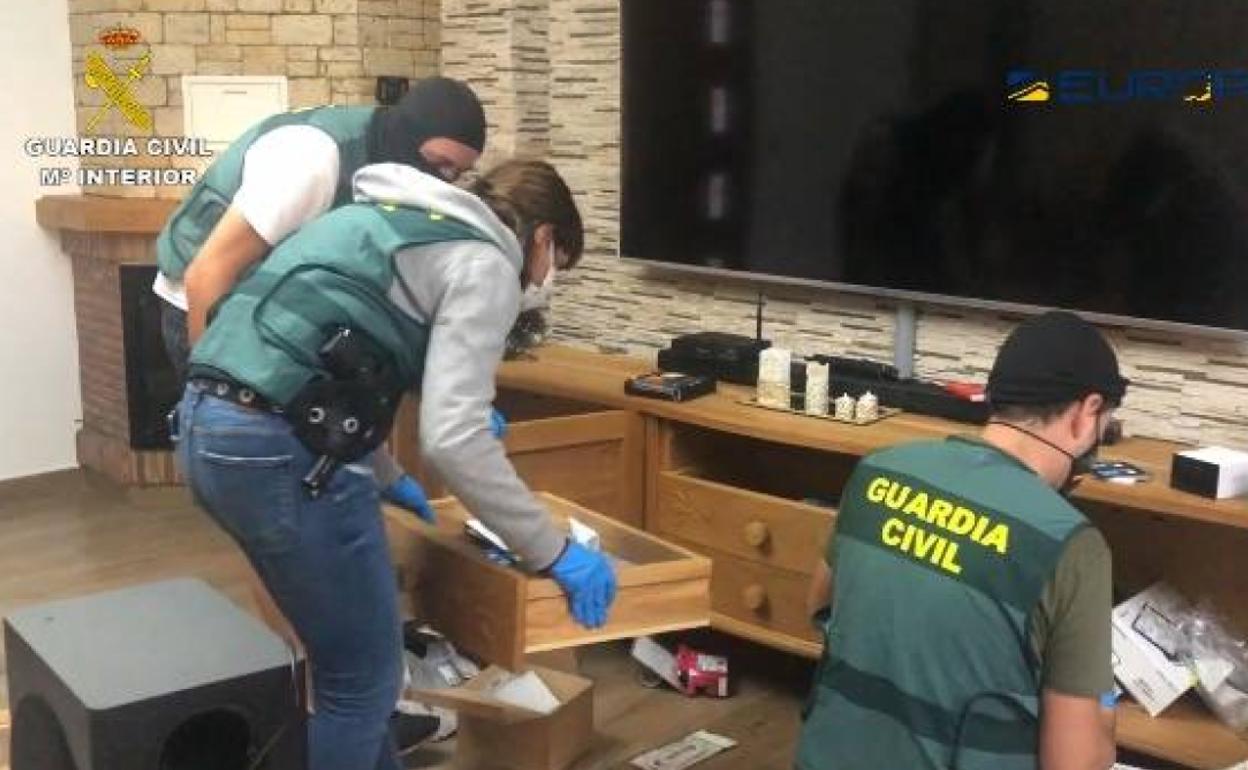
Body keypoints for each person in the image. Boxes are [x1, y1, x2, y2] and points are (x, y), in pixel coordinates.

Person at [171, 158, 615, 770]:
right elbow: (454, 438)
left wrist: (386, 474)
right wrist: (555, 553)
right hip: (277, 453)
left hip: (205, 427)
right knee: (362, 683)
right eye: (556, 264)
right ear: (542, 238)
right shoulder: (487, 261)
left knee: (352, 669)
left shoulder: (383, 219)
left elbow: (329, 375)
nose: (545, 281)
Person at [796, 310, 1127, 770]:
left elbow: (819, 605)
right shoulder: (1070, 543)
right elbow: (1072, 763)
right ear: (1087, 412)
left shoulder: (879, 469)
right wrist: (1104, 709)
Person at [155, 76, 490, 520]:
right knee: (283, 500)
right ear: (406, 136)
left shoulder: (387, 165)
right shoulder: (312, 160)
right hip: (208, 312)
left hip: (272, 317)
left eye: (457, 174)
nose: (443, 182)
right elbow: (207, 274)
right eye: (438, 164)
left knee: (312, 491)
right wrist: (214, 403)